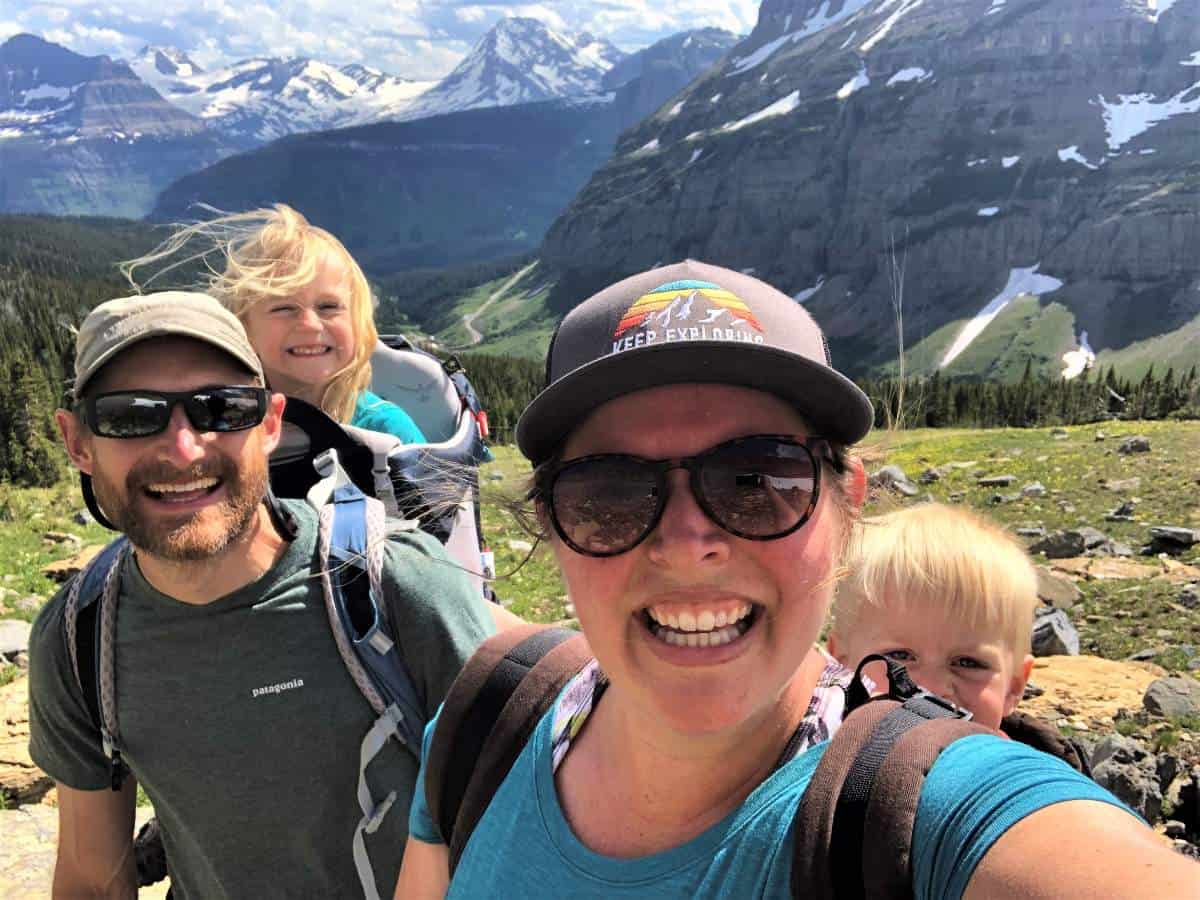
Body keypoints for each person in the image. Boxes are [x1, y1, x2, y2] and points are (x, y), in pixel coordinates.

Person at [395, 261, 1196, 898]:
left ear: (846, 507)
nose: (687, 543)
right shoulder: (486, 721)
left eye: (757, 480)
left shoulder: (925, 818)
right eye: (608, 494)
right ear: (551, 526)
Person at [27, 292, 494, 898]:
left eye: (221, 409)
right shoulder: (79, 636)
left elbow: (513, 829)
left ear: (271, 423)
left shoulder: (394, 588)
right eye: (131, 415)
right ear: (78, 444)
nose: (184, 448)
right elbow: (93, 878)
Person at [123, 204, 426, 443]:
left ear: (359, 324)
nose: (309, 324)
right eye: (283, 307)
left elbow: (439, 518)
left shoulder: (387, 429)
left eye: (329, 306)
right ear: (243, 328)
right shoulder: (222, 421)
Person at [826, 503, 1036, 730]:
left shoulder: (1029, 765)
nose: (933, 688)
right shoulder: (813, 761)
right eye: (900, 656)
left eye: (967, 663)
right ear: (840, 667)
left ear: (1014, 686)